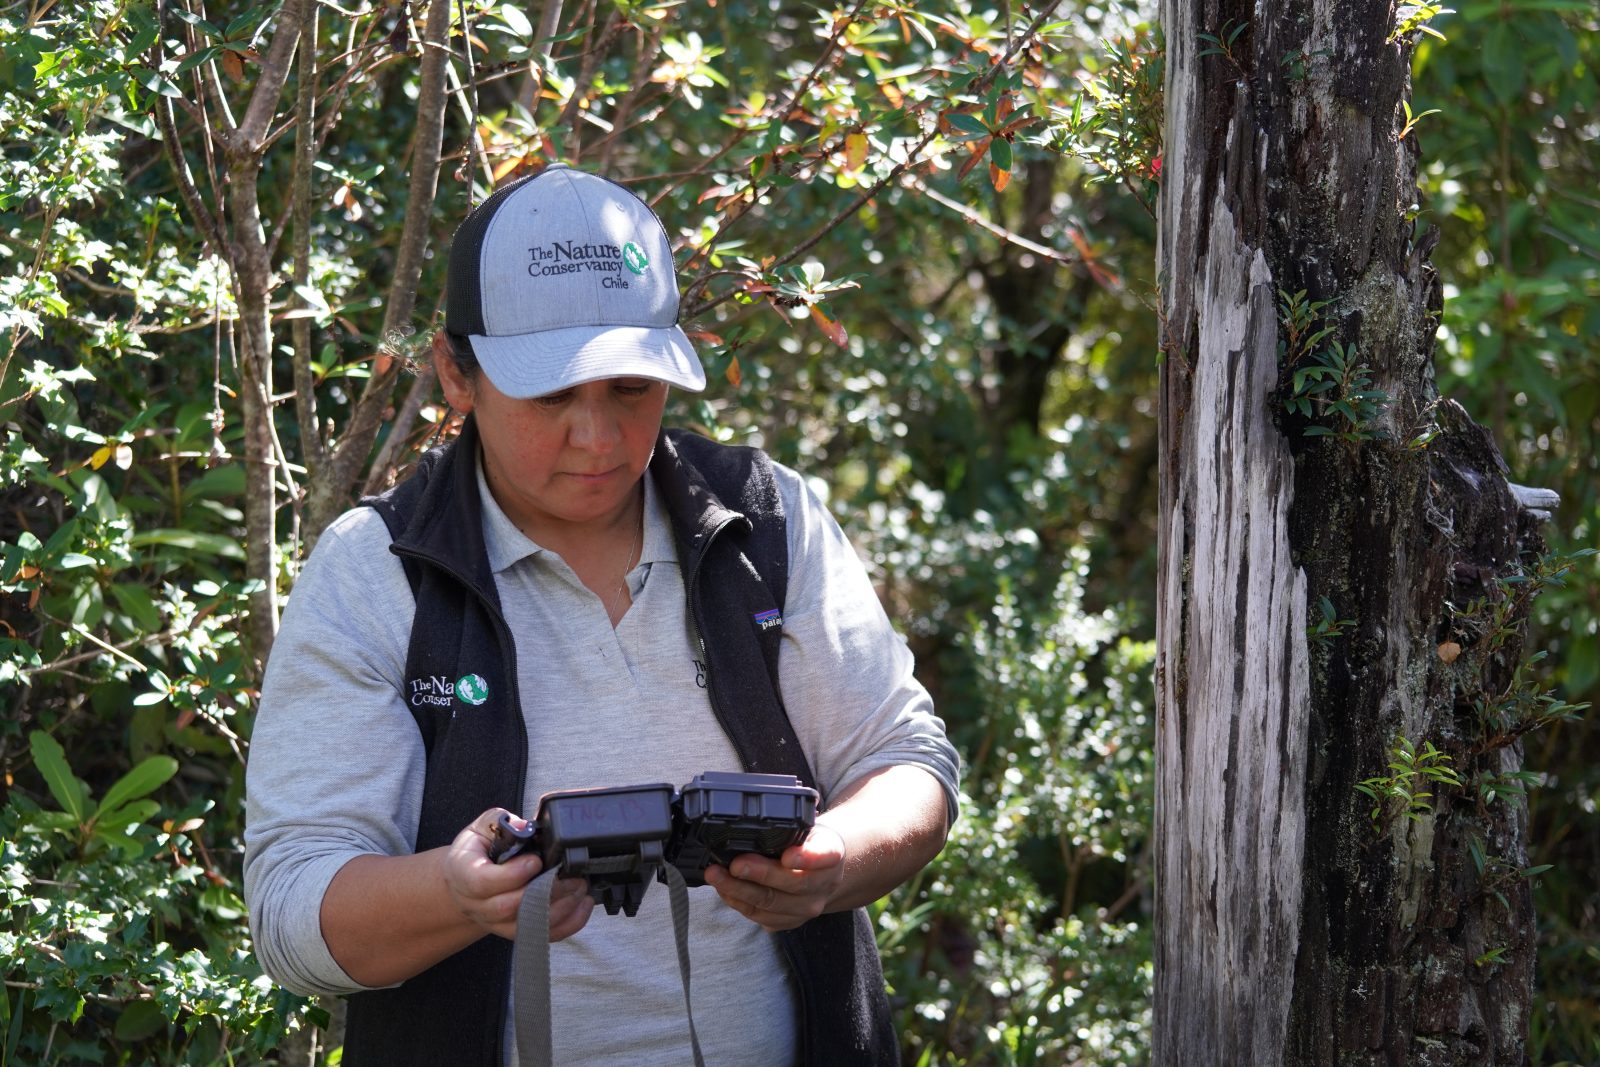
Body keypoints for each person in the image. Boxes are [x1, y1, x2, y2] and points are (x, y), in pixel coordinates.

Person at [243, 163, 960, 1067]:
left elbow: (909, 761)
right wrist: (455, 896)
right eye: (551, 395)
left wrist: (834, 859)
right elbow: (290, 909)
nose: (600, 437)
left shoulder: (763, 523)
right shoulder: (378, 573)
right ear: (454, 373)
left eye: (632, 387)